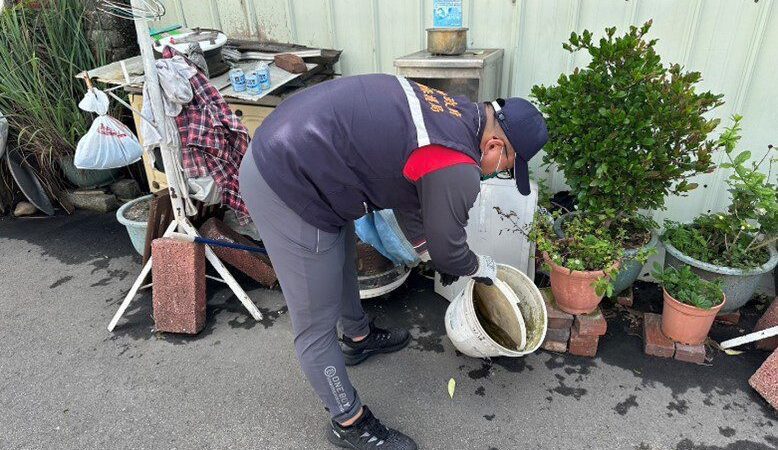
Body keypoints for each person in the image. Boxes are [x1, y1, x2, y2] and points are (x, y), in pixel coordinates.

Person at [239, 74, 547, 449]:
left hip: (303, 148)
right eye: (505, 165)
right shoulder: (458, 163)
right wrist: (477, 266)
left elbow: (414, 188)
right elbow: (449, 249)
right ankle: (349, 422)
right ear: (495, 144)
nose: (498, 172)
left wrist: (428, 247)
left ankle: (358, 337)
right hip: (285, 179)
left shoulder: (456, 113)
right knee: (315, 324)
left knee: (340, 256)